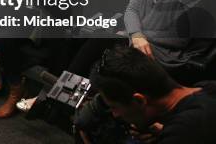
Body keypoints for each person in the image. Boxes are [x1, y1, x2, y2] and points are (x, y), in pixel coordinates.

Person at [86, 46, 216, 144]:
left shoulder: (184, 134)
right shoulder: (207, 87)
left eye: (114, 107)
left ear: (139, 100)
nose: (115, 114)